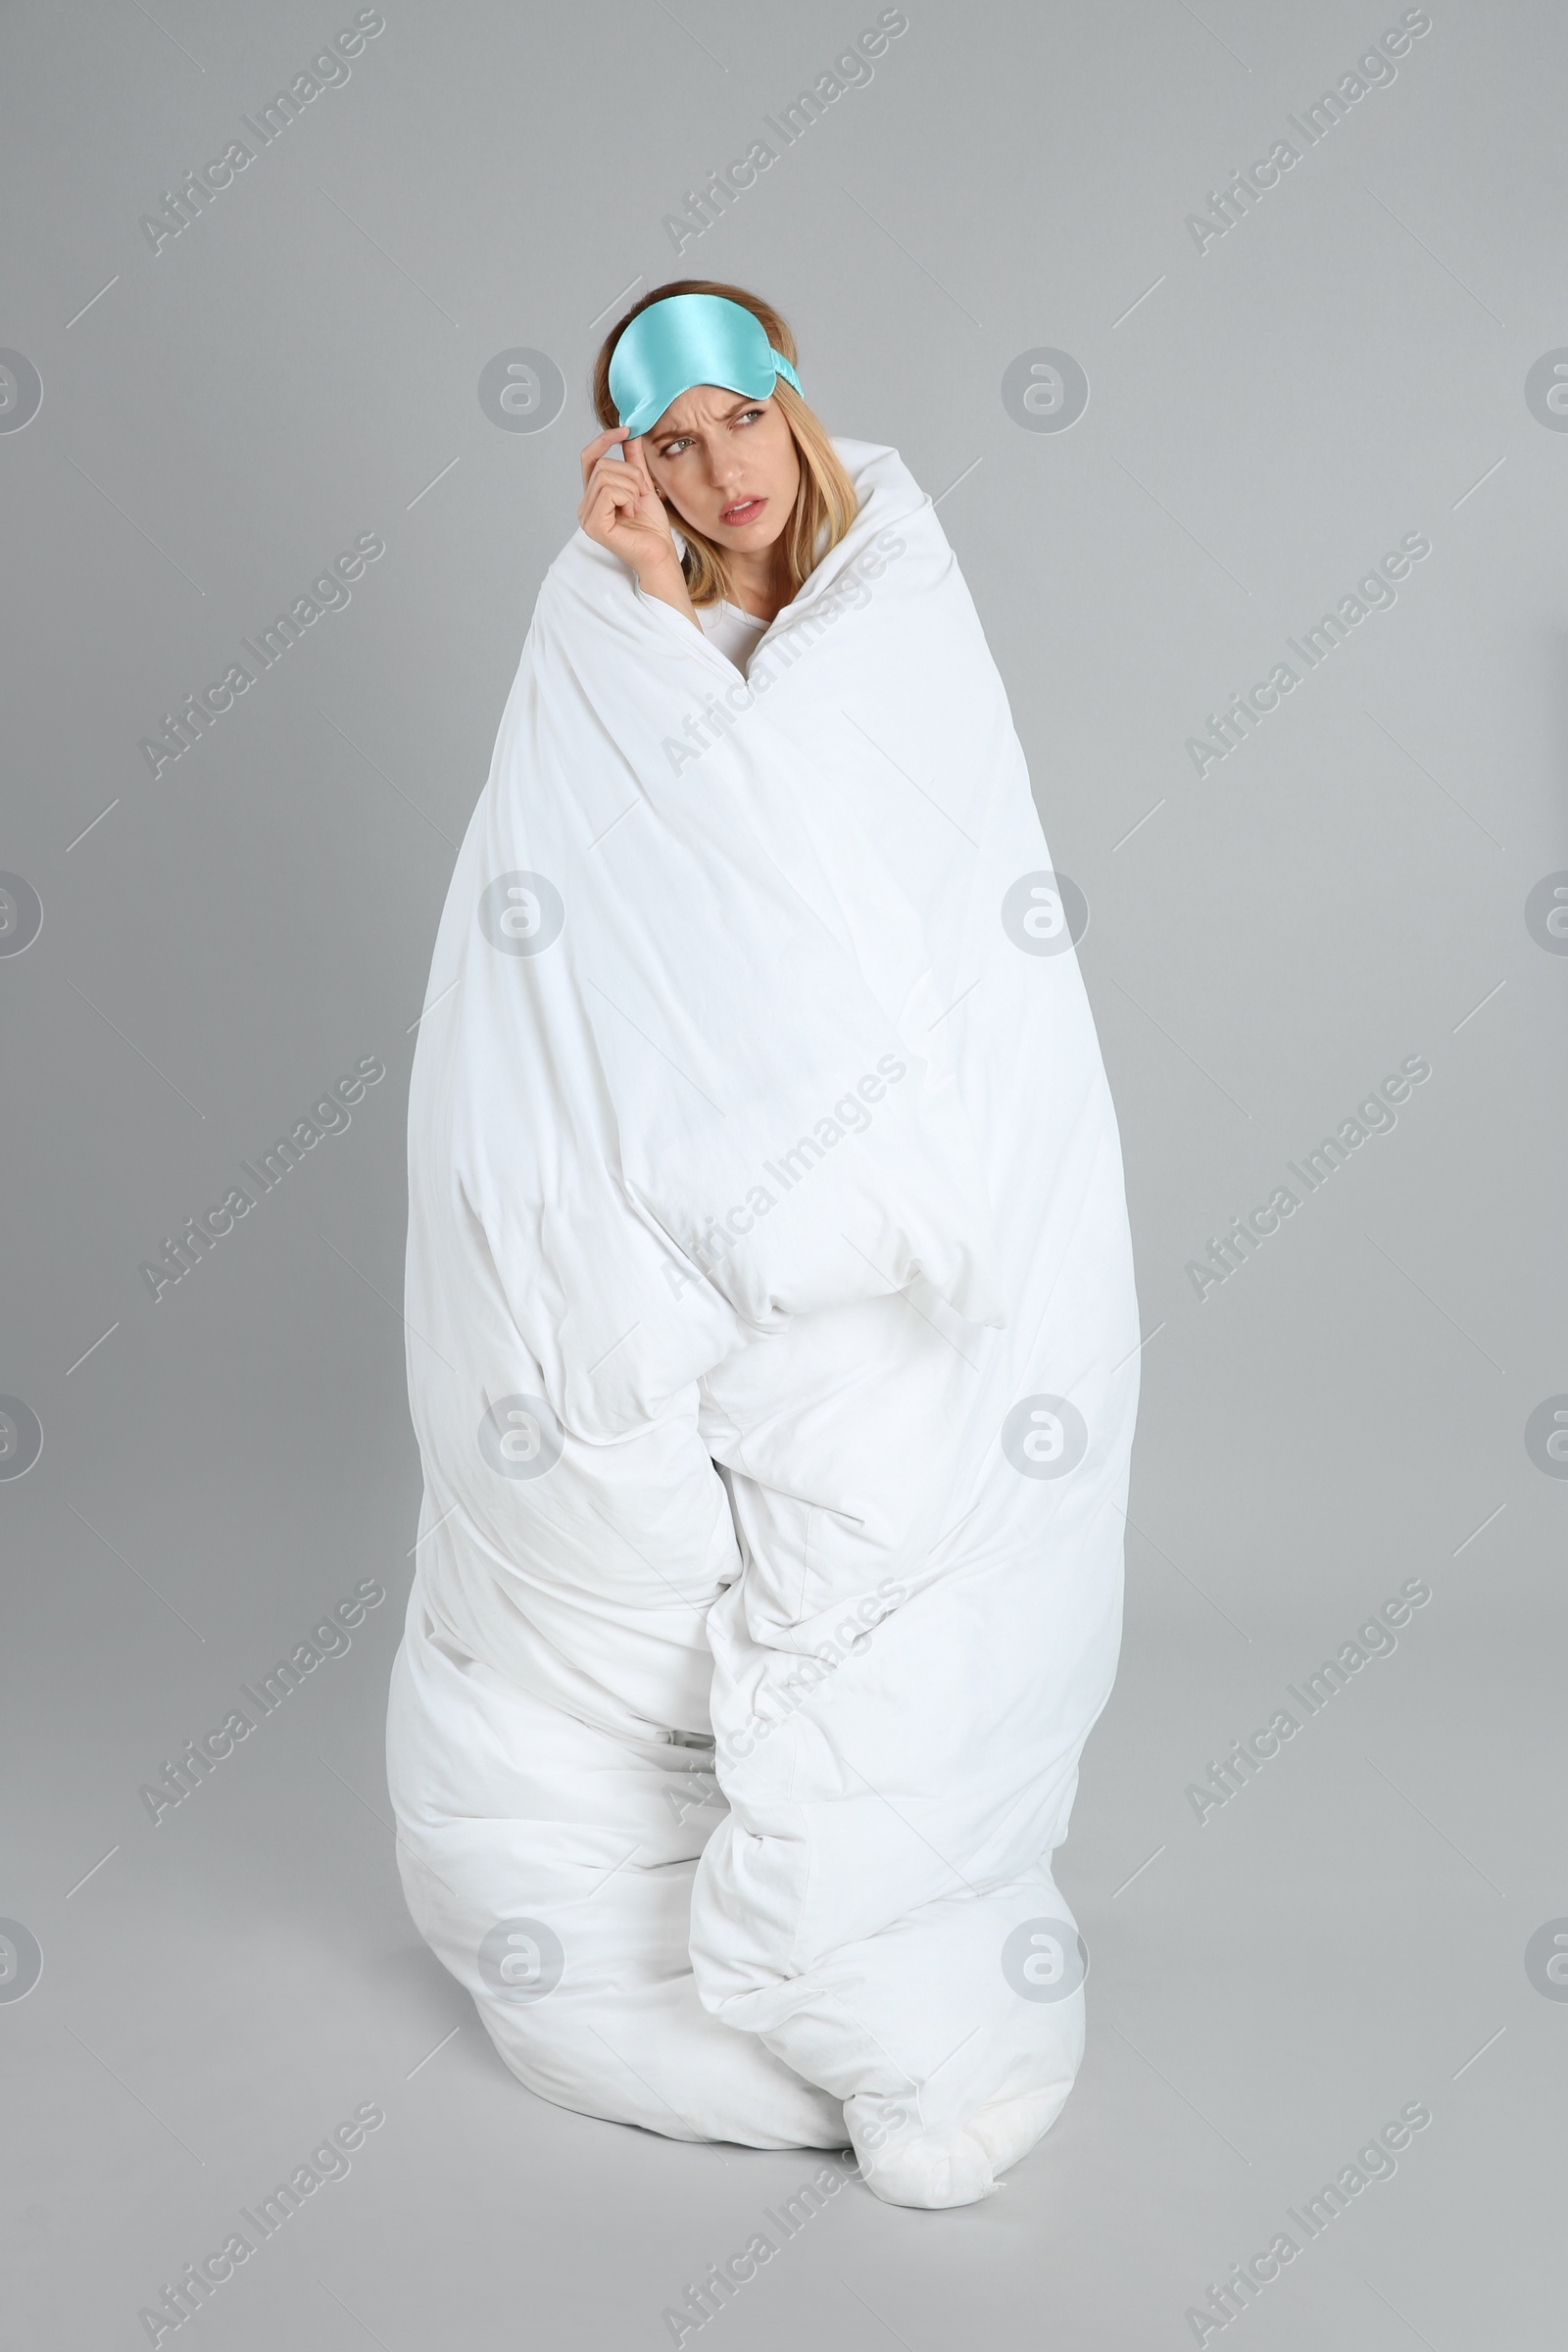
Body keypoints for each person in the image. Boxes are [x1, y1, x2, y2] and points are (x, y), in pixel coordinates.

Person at [386, 278, 1141, 2210]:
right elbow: (597, 911)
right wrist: (635, 599)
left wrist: (892, 1171)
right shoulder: (607, 639)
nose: (714, 466)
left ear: (795, 407)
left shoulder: (893, 611)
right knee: (598, 1567)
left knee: (919, 1524)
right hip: (696, 1194)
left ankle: (878, 1940)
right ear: (623, 464)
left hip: (920, 1227)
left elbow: (949, 903)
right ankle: (670, 1923)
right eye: (665, 437)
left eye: (738, 414)